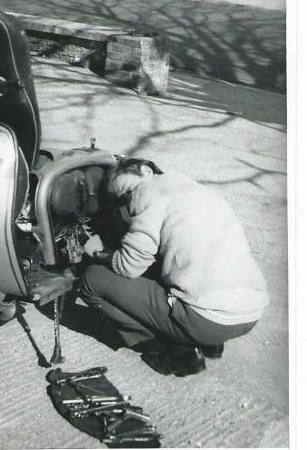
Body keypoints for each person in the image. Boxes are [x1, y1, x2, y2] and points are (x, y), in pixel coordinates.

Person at [80, 158, 269, 377]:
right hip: (249, 312)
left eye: (127, 191)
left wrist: (98, 253)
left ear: (146, 171)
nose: (127, 202)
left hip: (208, 320)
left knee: (92, 279)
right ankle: (209, 344)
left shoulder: (147, 191)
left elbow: (130, 266)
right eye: (121, 199)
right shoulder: (193, 189)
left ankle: (173, 350)